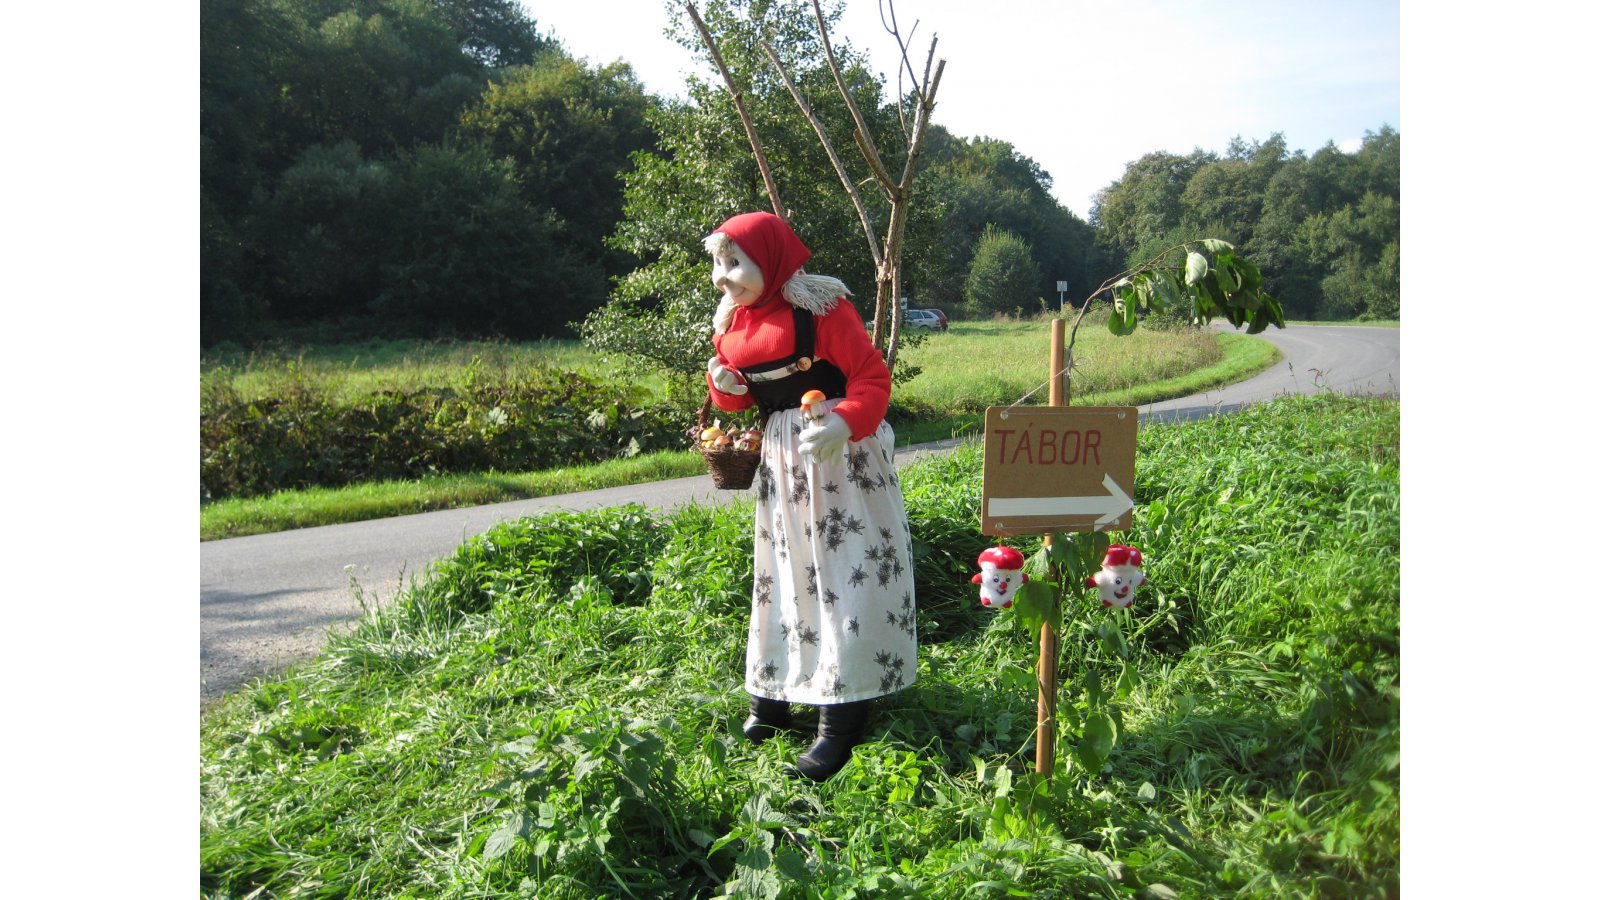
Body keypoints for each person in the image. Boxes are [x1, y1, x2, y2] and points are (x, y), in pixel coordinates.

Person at [703, 211, 917, 781]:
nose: (724, 276)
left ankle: (839, 719)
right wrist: (726, 389)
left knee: (845, 575)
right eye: (718, 264)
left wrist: (846, 420)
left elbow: (871, 377)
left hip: (840, 459)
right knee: (784, 573)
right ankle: (772, 695)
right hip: (782, 462)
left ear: (769, 259)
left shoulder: (821, 309)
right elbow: (741, 395)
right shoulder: (734, 320)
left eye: (734, 262)